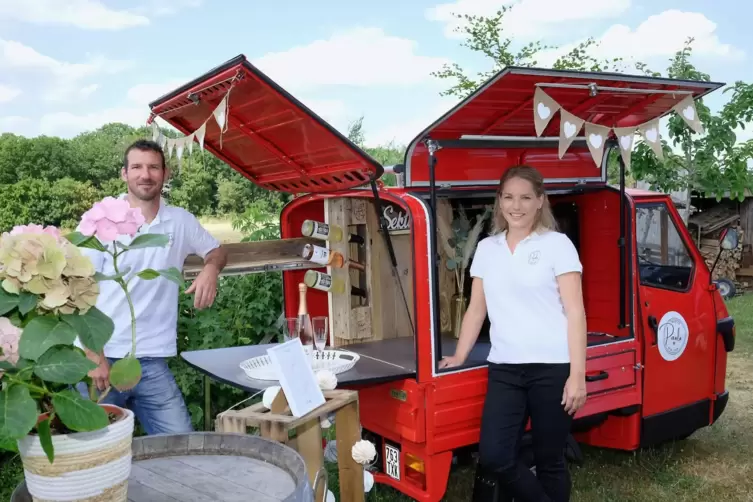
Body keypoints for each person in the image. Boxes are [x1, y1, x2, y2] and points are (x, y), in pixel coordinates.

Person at [439, 165, 587, 502]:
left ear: (540, 202)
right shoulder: (489, 249)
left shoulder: (557, 245)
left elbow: (576, 312)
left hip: (553, 367)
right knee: (495, 456)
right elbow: (477, 309)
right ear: (499, 202)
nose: (515, 206)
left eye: (524, 198)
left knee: (550, 460)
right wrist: (460, 355)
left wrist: (577, 375)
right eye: (508, 197)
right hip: (505, 367)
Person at [78, 139, 228, 435]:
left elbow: (217, 250)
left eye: (153, 167)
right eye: (136, 167)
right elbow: (76, 288)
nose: (145, 175)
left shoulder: (179, 221)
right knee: (92, 455)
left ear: (165, 173)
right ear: (124, 174)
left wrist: (211, 268)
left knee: (180, 447)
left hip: (151, 361)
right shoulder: (100, 219)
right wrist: (93, 355)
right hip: (102, 360)